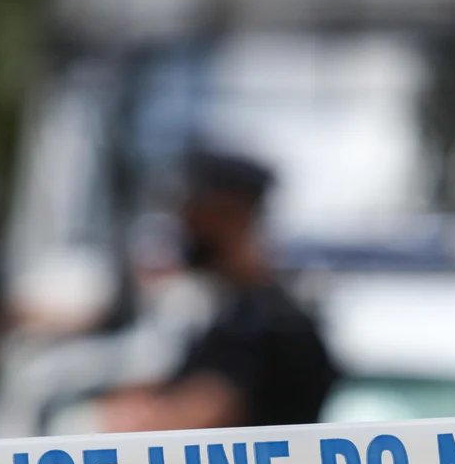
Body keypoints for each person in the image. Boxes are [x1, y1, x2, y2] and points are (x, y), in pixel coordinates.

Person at [99, 150, 340, 433]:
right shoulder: (234, 309)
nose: (184, 224)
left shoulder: (264, 320)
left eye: (194, 210)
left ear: (227, 214)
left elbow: (190, 419)